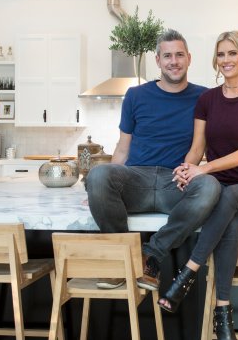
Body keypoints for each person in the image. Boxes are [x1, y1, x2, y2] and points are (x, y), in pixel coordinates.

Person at [85, 29, 221, 291]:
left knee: (210, 186)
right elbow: (122, 149)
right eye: (167, 55)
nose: (174, 61)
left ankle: (151, 254)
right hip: (137, 178)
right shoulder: (136, 96)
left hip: (176, 182)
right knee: (99, 174)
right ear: (157, 61)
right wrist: (98, 188)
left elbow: (200, 146)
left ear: (189, 58)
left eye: (179, 55)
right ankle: (120, 261)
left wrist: (189, 171)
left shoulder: (205, 97)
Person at [157, 30, 238, 340]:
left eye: (232, 53)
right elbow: (197, 146)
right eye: (221, 54)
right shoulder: (207, 99)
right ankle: (223, 315)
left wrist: (204, 169)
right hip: (221, 191)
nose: (226, 60)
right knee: (230, 220)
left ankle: (188, 272)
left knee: (231, 195)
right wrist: (187, 168)